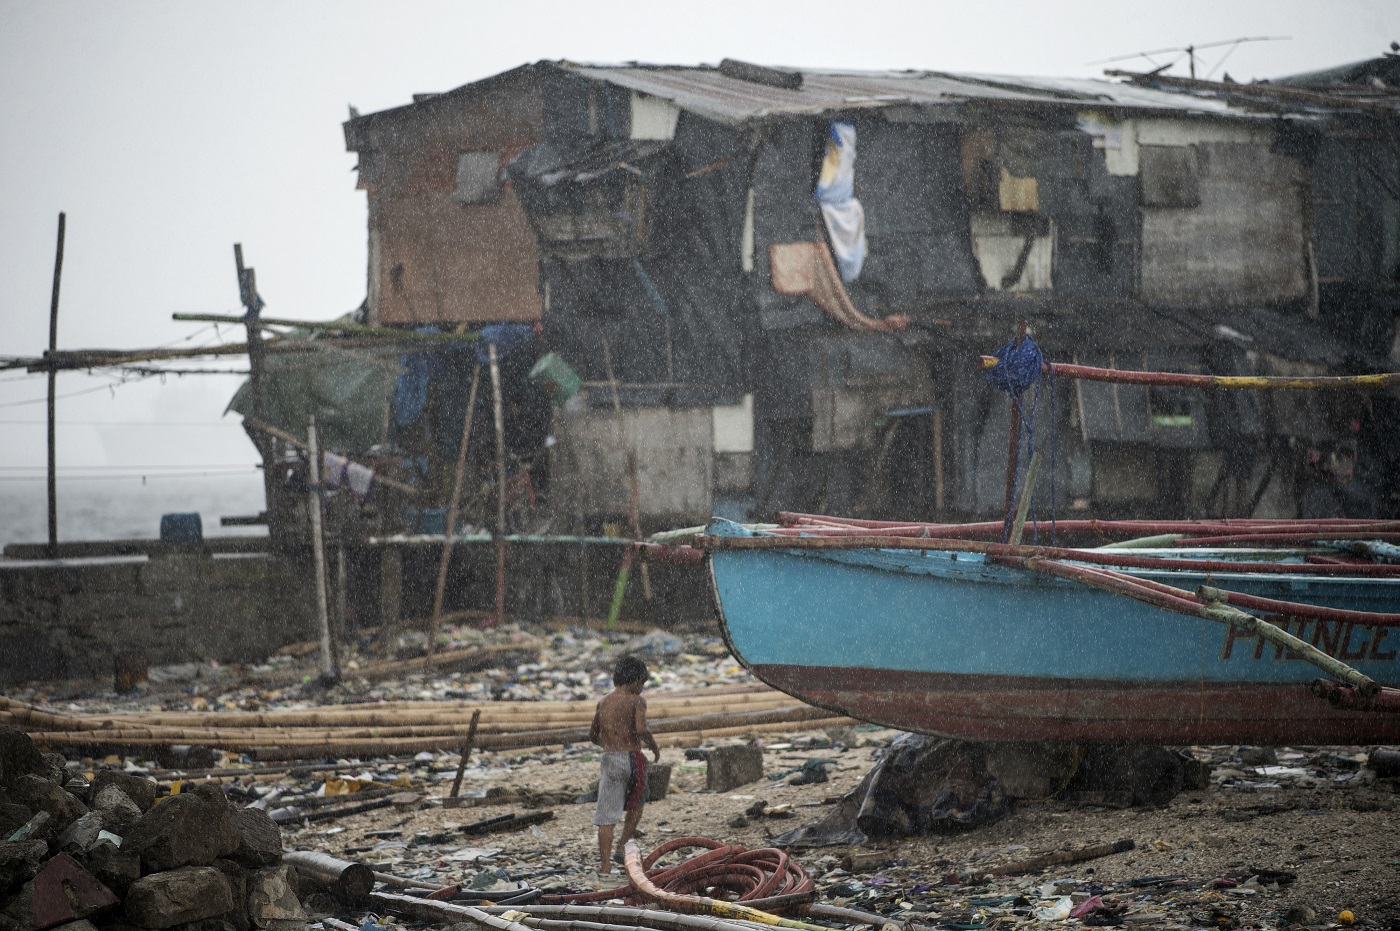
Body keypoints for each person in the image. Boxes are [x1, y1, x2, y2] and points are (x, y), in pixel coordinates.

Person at [589, 654, 661, 874]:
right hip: (631, 757)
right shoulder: (636, 700)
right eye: (641, 683)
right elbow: (640, 728)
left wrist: (609, 743)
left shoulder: (603, 702)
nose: (641, 688)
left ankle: (605, 866)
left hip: (609, 759)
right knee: (638, 802)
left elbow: (592, 735)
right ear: (636, 680)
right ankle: (622, 845)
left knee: (606, 815)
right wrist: (653, 745)